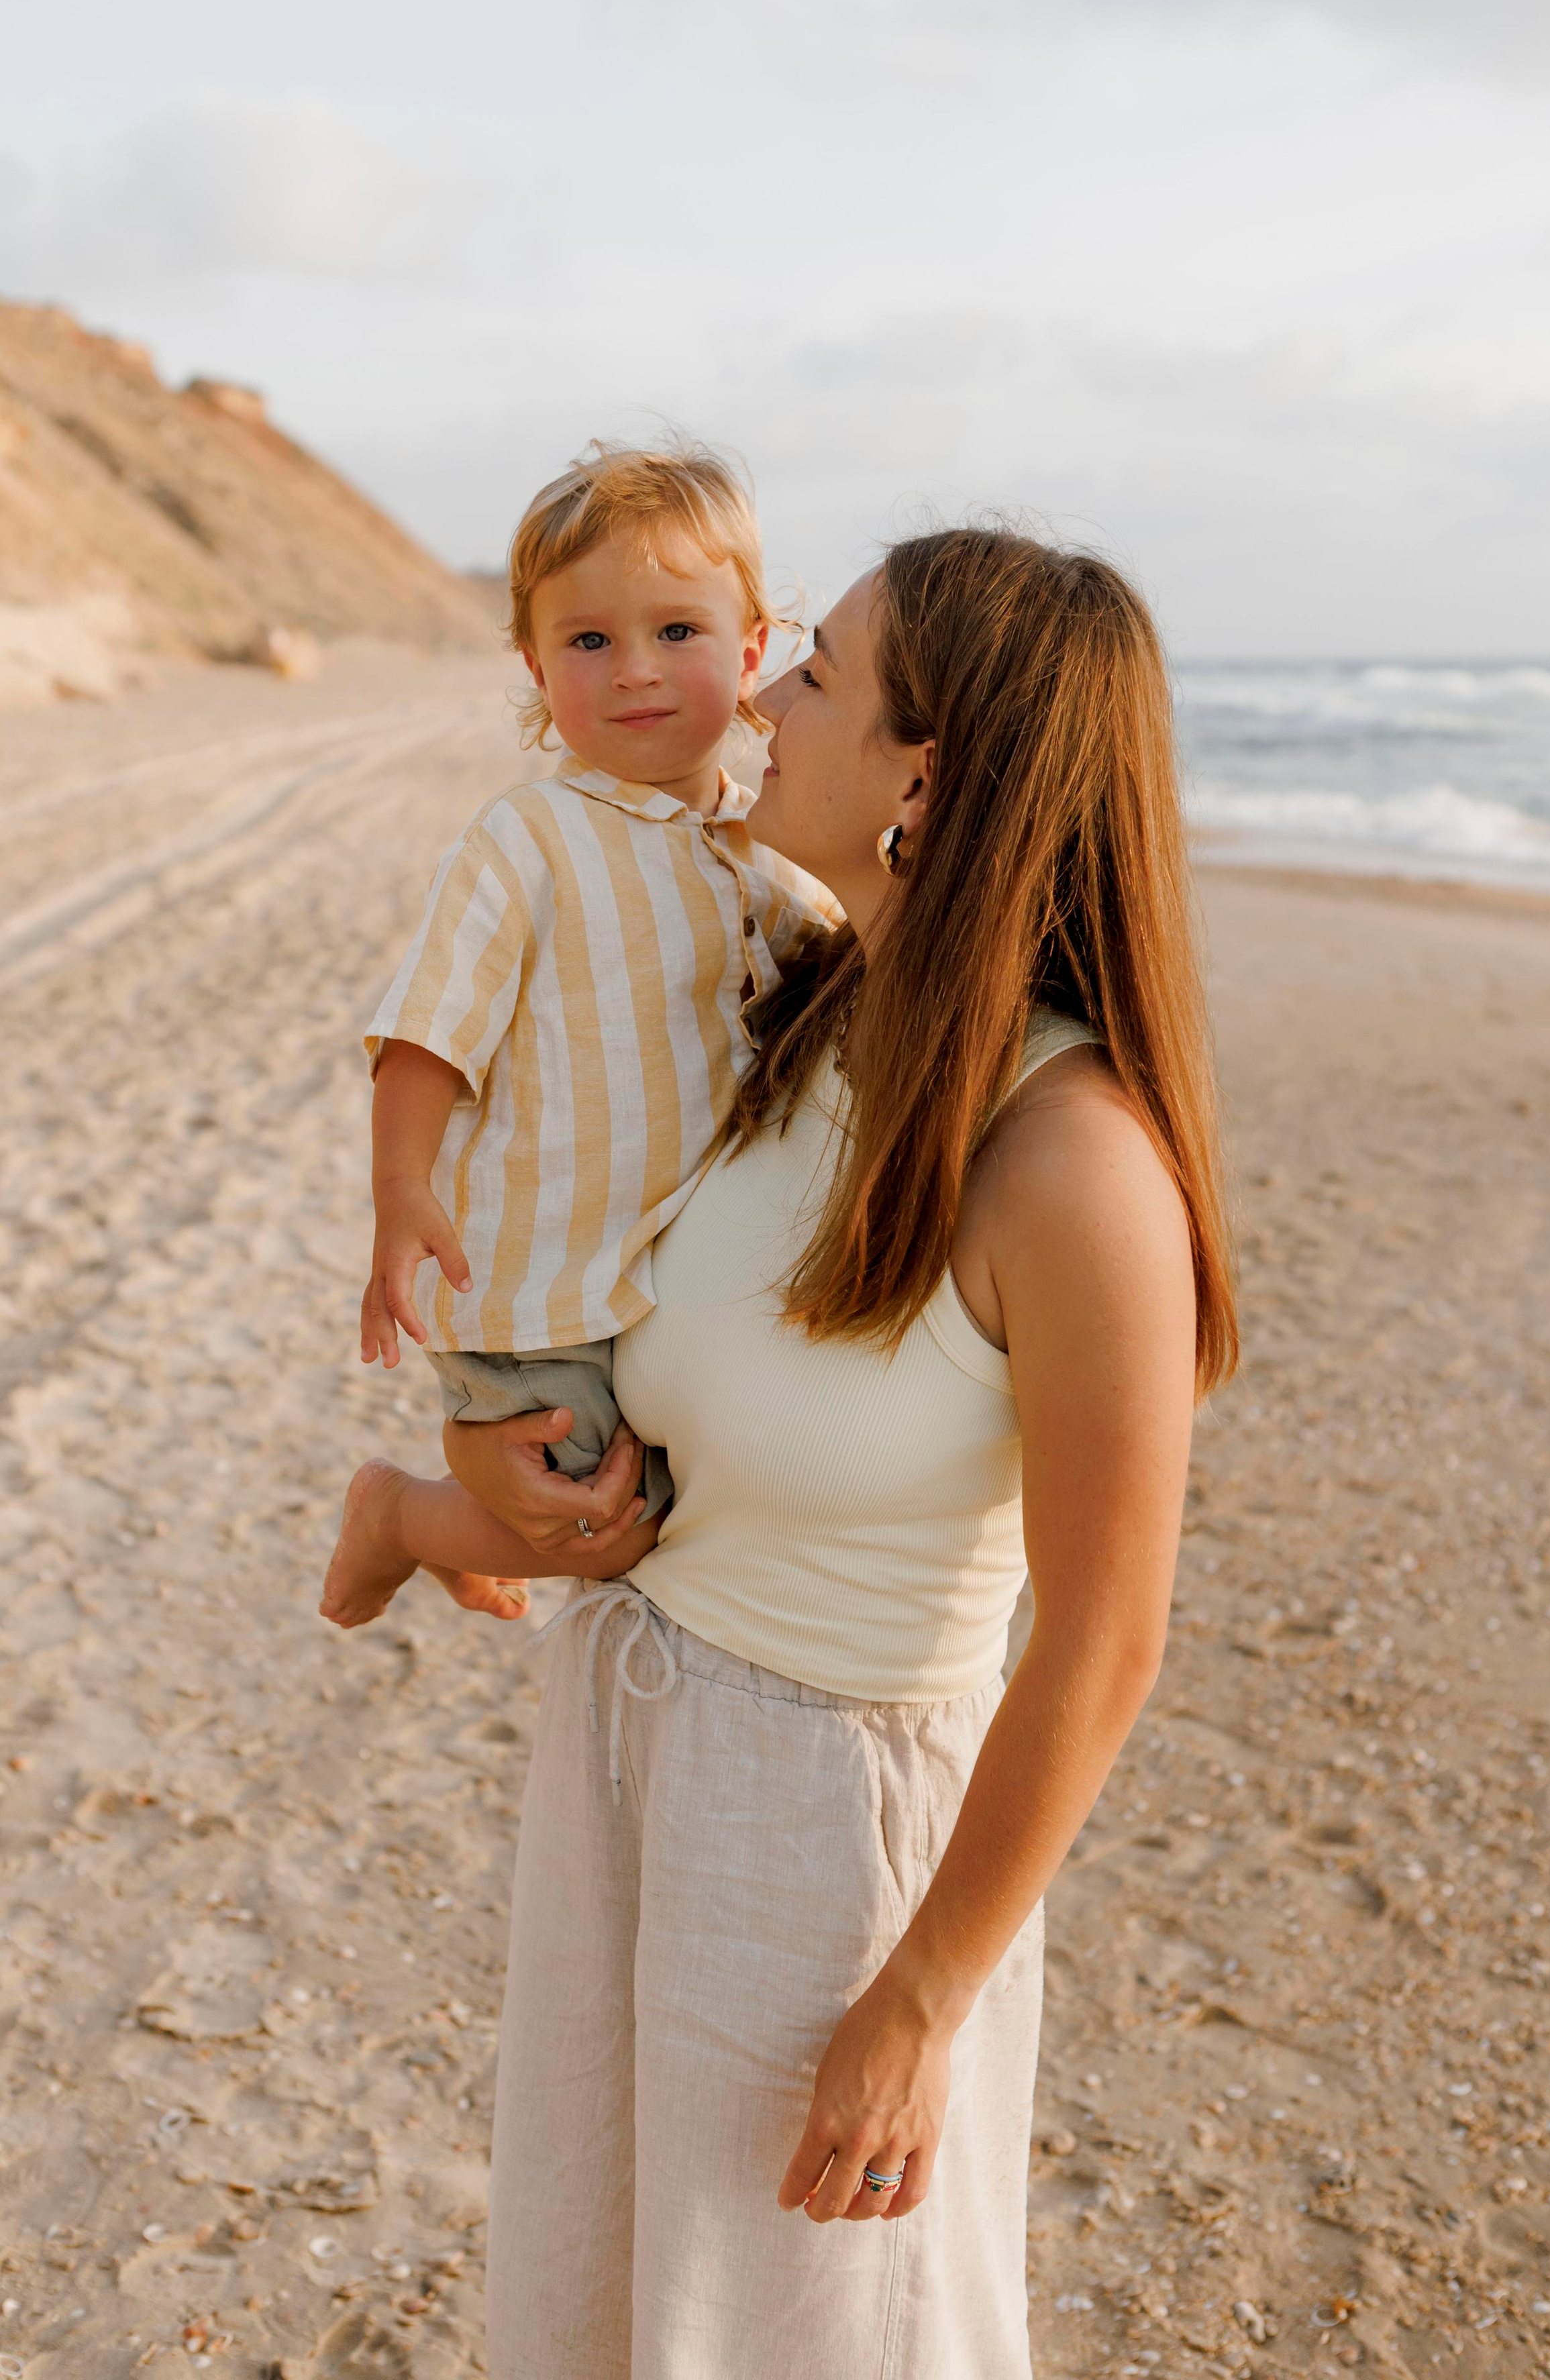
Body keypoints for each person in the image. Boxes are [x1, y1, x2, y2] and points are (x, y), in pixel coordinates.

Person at [360, 527, 1238, 2376]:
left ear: (928, 778)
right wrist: (520, 1487)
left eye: (815, 675)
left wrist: (924, 1998)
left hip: (834, 1855)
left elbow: (1108, 1640)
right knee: (610, 2318)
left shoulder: (1073, 1167)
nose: (754, 701)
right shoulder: (807, 1015)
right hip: (633, 1758)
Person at [319, 438, 835, 1633]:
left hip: (655, 1288)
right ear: (537, 665)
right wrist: (401, 1194)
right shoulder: (531, 839)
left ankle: (443, 1526)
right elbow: (427, 1037)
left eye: (678, 633)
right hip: (534, 1284)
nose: (636, 673)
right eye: (589, 642)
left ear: (752, 650)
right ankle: (400, 1515)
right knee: (609, 1529)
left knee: (656, 1502)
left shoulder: (777, 871)